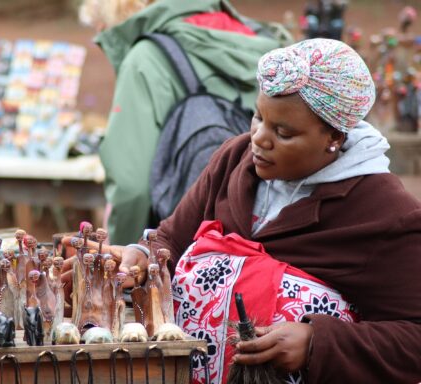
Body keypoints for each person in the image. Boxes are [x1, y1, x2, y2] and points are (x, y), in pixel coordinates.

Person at [117, 38, 421, 383]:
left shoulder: (385, 214)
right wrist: (141, 256)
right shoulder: (235, 160)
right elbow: (172, 237)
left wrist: (317, 343)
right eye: (258, 117)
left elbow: (414, 338)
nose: (259, 138)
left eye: (283, 132)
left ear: (333, 138)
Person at [79, 0, 286, 245]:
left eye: (99, 29)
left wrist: (122, 258)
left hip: (183, 246)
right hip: (268, 233)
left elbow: (130, 187)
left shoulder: (146, 58)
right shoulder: (262, 43)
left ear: (110, 18)